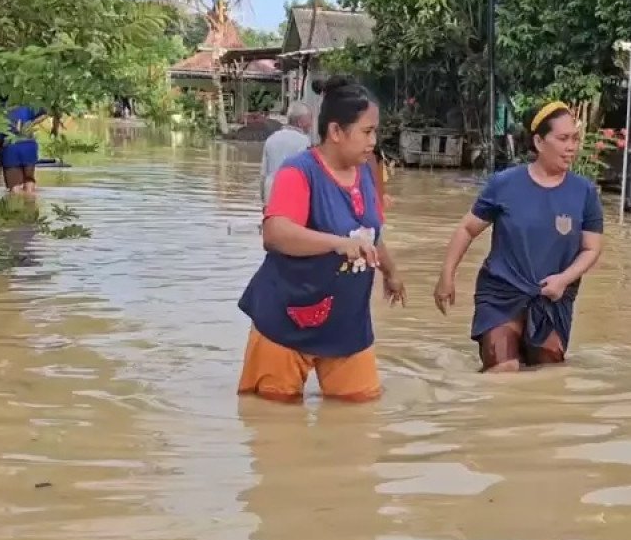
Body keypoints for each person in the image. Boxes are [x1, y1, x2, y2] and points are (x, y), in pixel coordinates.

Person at [237, 76, 406, 403]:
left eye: (375, 132)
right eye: (367, 132)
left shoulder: (366, 172)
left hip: (347, 324)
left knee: (361, 411)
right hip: (286, 321)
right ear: (336, 131)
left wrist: (391, 272)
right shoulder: (299, 172)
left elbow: (371, 234)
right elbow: (275, 233)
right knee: (273, 417)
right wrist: (337, 243)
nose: (373, 141)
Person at [432, 101, 604, 373]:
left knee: (549, 374)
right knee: (504, 369)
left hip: (552, 299)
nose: (571, 147)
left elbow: (591, 248)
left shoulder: (584, 192)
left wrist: (563, 279)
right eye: (563, 139)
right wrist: (446, 275)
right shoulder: (504, 184)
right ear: (538, 142)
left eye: (574, 139)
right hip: (502, 294)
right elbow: (467, 229)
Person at [260, 103, 315, 207]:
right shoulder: (305, 142)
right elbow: (308, 176)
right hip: (292, 198)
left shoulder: (271, 139)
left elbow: (263, 174)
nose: (311, 124)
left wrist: (264, 200)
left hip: (270, 195)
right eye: (310, 119)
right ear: (300, 122)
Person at [0, 105, 48, 193]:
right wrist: (31, 123)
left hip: (10, 148)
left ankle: (17, 201)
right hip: (28, 146)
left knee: (14, 186)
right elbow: (45, 113)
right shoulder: (27, 104)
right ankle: (31, 200)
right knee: (29, 181)